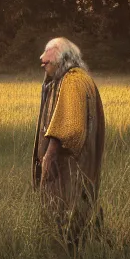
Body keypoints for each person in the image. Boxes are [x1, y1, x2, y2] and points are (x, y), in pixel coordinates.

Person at [32, 37, 105, 247]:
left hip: (69, 164)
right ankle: (88, 246)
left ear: (62, 56)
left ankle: (66, 255)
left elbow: (70, 126)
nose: (42, 58)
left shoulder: (72, 81)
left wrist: (50, 155)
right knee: (83, 205)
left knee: (66, 210)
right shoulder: (82, 78)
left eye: (47, 52)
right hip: (84, 160)